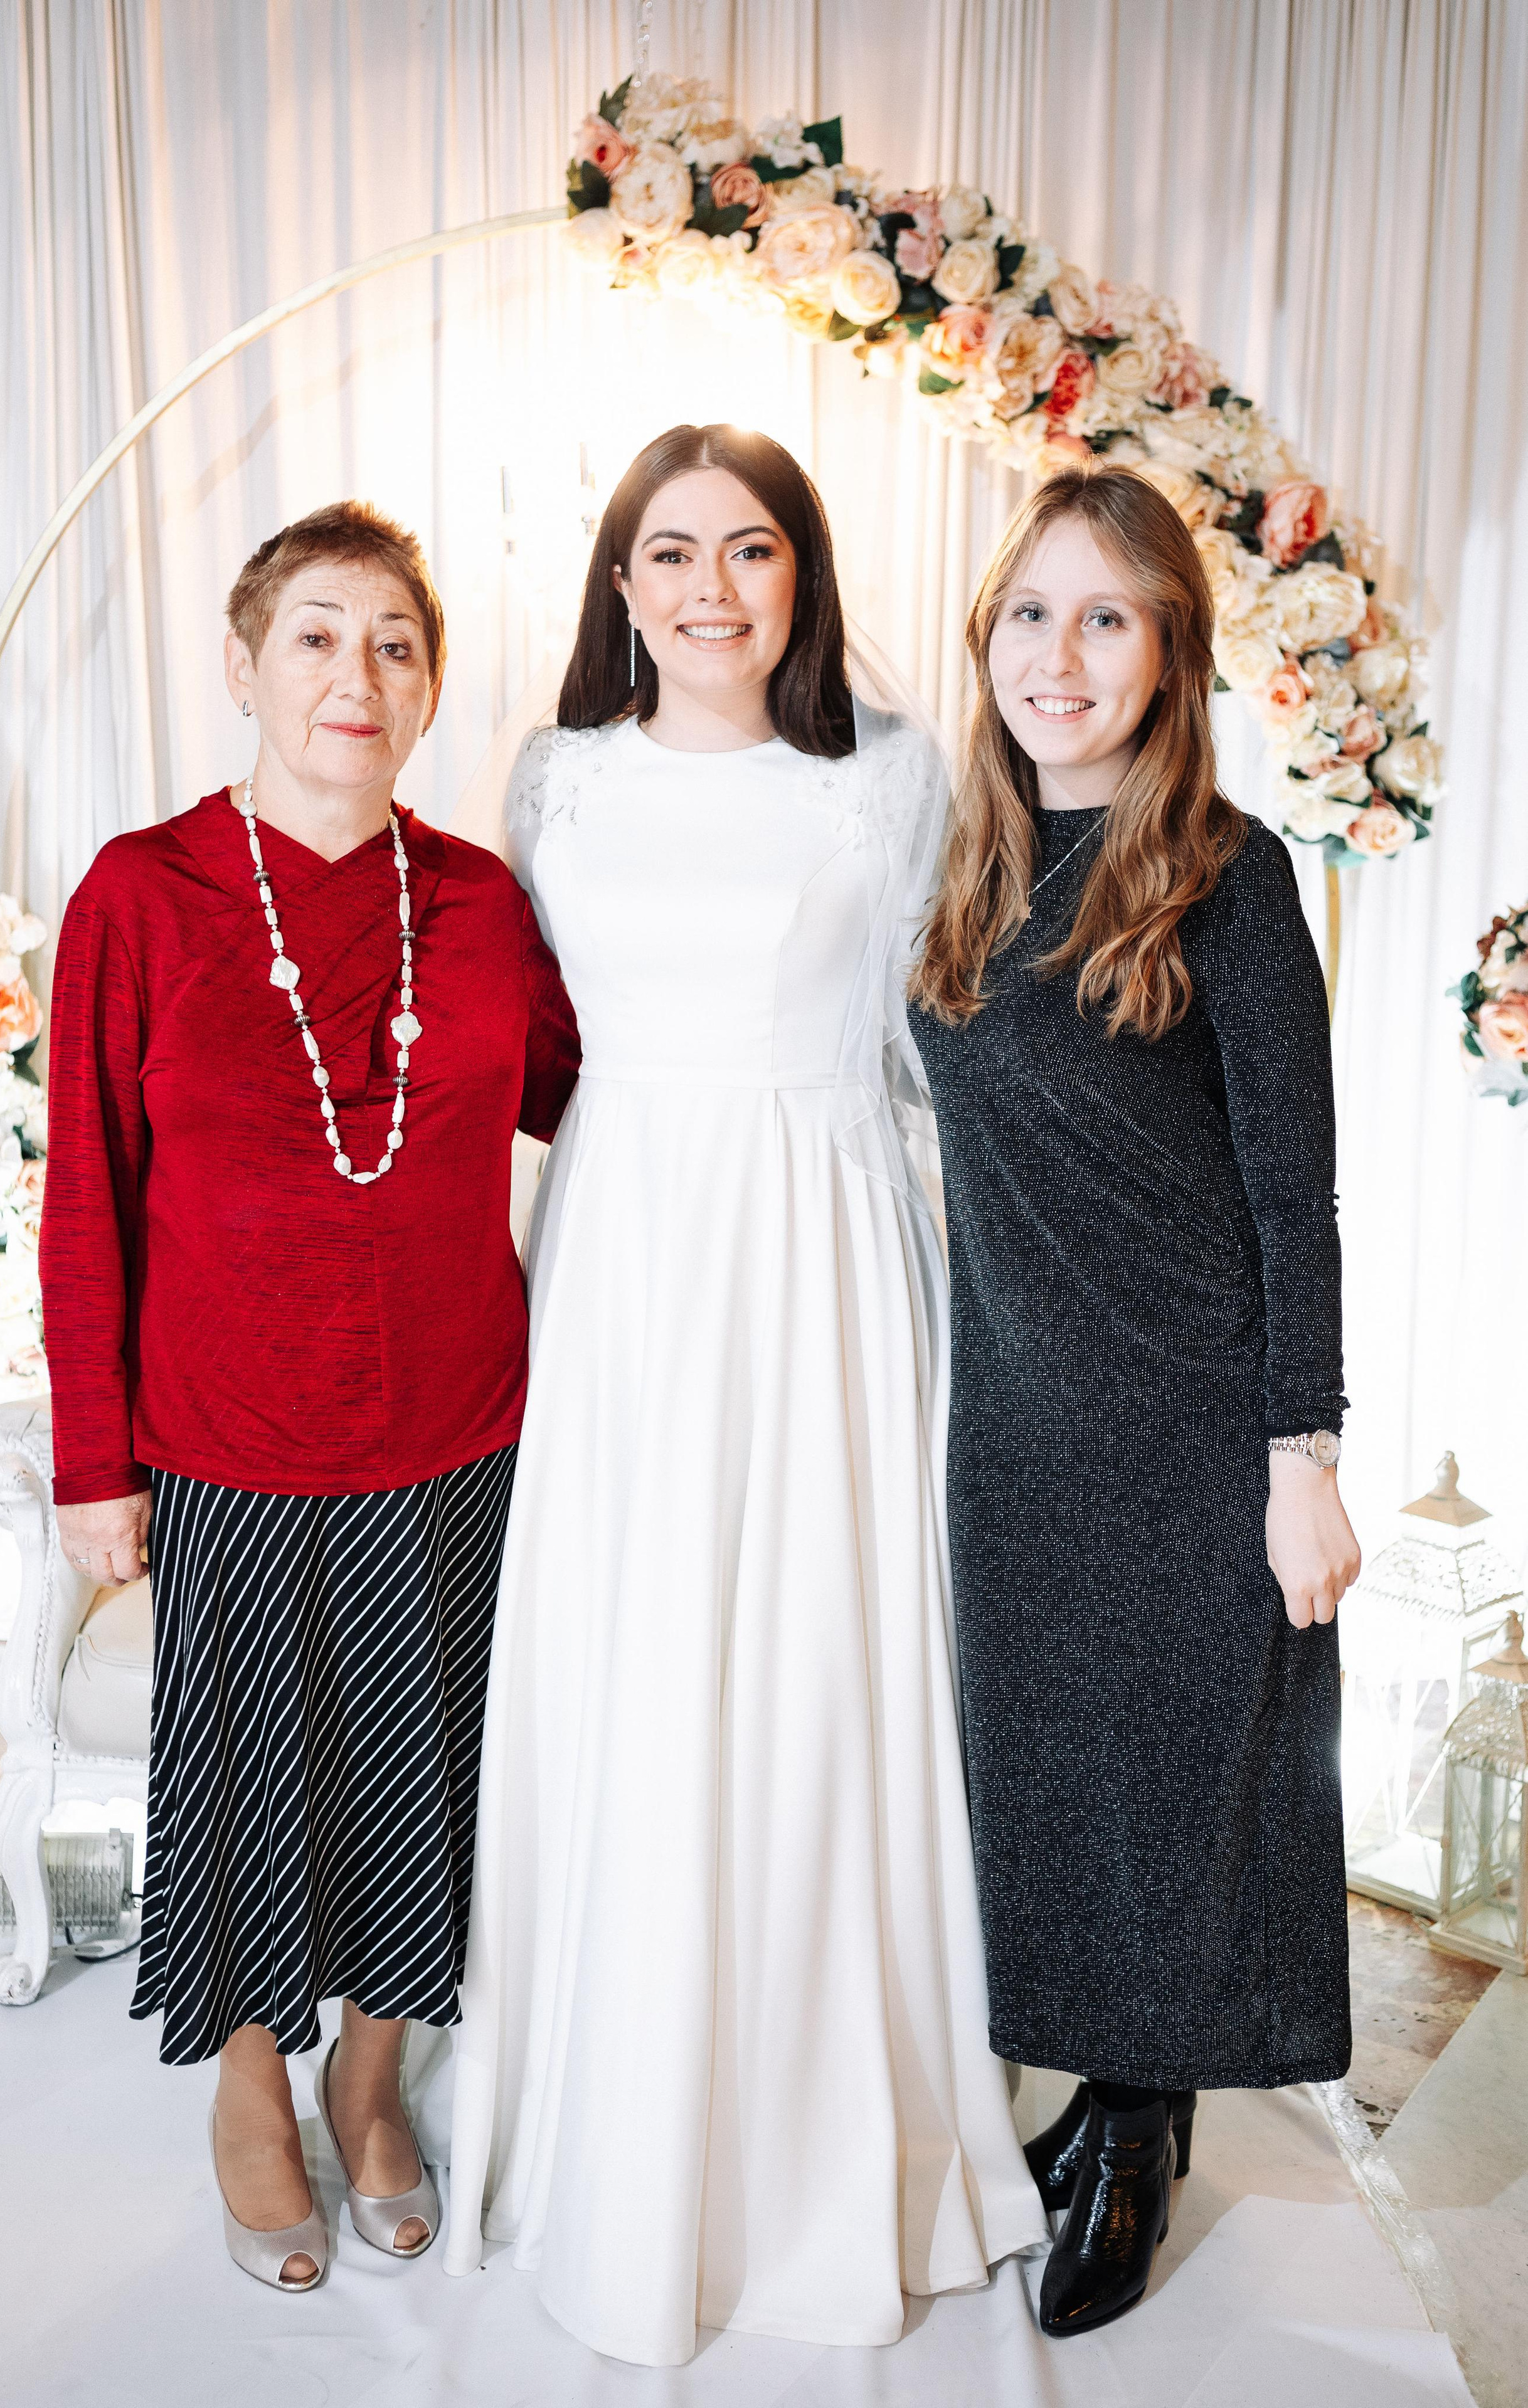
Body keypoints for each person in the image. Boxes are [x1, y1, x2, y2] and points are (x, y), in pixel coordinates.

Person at [443, 425, 1048, 2364]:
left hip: (827, 1248)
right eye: (673, 553)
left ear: (805, 574)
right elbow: (529, 1038)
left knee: (816, 1659)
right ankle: (616, 2125)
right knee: (630, 1651)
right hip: (627, 1252)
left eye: (753, 550)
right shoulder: (555, 780)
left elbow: (949, 1036)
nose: (713, 589)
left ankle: (826, 2133)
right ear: (620, 585)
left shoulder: (897, 776)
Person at [39, 500, 579, 2292]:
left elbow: (615, 1106)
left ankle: (373, 2073)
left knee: (422, 1768)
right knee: (255, 1781)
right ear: (244, 663)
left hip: (460, 1428)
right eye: (321, 637)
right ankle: (253, 2083)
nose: (360, 675)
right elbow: (87, 1200)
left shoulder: (485, 908)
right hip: (226, 1436)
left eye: (396, 646)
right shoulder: (143, 892)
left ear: (431, 689)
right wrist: (94, 1467)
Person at [909, 462, 1360, 2338]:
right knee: (1052, 1780)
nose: (1062, 656)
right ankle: (1105, 2091)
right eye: (1032, 613)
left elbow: (1294, 1194)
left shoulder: (1230, 882)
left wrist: (1303, 1456)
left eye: (1107, 618)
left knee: (1180, 1787)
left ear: (1170, 652)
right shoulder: (964, 865)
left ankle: (1138, 2131)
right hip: (1016, 1422)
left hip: (1191, 1422)